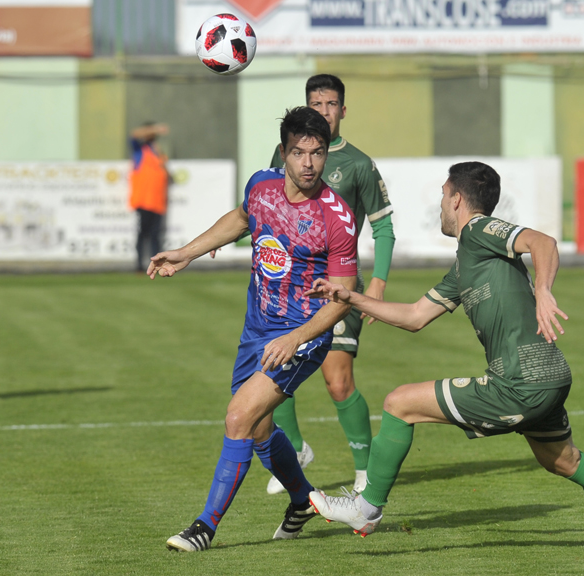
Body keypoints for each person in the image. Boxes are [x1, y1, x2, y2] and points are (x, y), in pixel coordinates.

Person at [306, 162, 584, 550]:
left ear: (455, 198)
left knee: (399, 403)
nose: (439, 205)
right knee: (562, 460)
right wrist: (350, 297)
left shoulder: (479, 229)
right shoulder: (466, 262)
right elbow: (416, 316)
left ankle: (366, 509)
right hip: (549, 377)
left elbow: (544, 243)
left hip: (518, 382)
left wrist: (543, 290)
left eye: (442, 195)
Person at [149, 107, 359, 552]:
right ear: (284, 152)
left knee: (239, 416)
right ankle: (302, 500)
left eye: (317, 153)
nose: (308, 163)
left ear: (326, 156)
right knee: (260, 429)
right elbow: (242, 219)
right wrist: (186, 253)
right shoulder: (261, 186)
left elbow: (342, 296)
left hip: (304, 334)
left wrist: (296, 337)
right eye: (299, 152)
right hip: (257, 329)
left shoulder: (336, 217)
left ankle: (204, 526)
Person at [265, 74, 395, 495]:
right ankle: (297, 449)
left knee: (337, 379)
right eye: (316, 103)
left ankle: (363, 471)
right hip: (290, 284)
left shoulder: (358, 163)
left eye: (332, 103)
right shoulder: (285, 154)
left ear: (343, 109)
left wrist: (376, 282)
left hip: (338, 286)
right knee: (274, 368)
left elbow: (384, 228)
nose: (324, 111)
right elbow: (266, 205)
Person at [129, 122, 170, 272]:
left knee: (155, 236)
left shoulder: (158, 152)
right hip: (144, 201)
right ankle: (139, 265)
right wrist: (155, 129)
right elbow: (133, 135)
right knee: (143, 234)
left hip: (158, 202)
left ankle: (156, 266)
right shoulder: (140, 150)